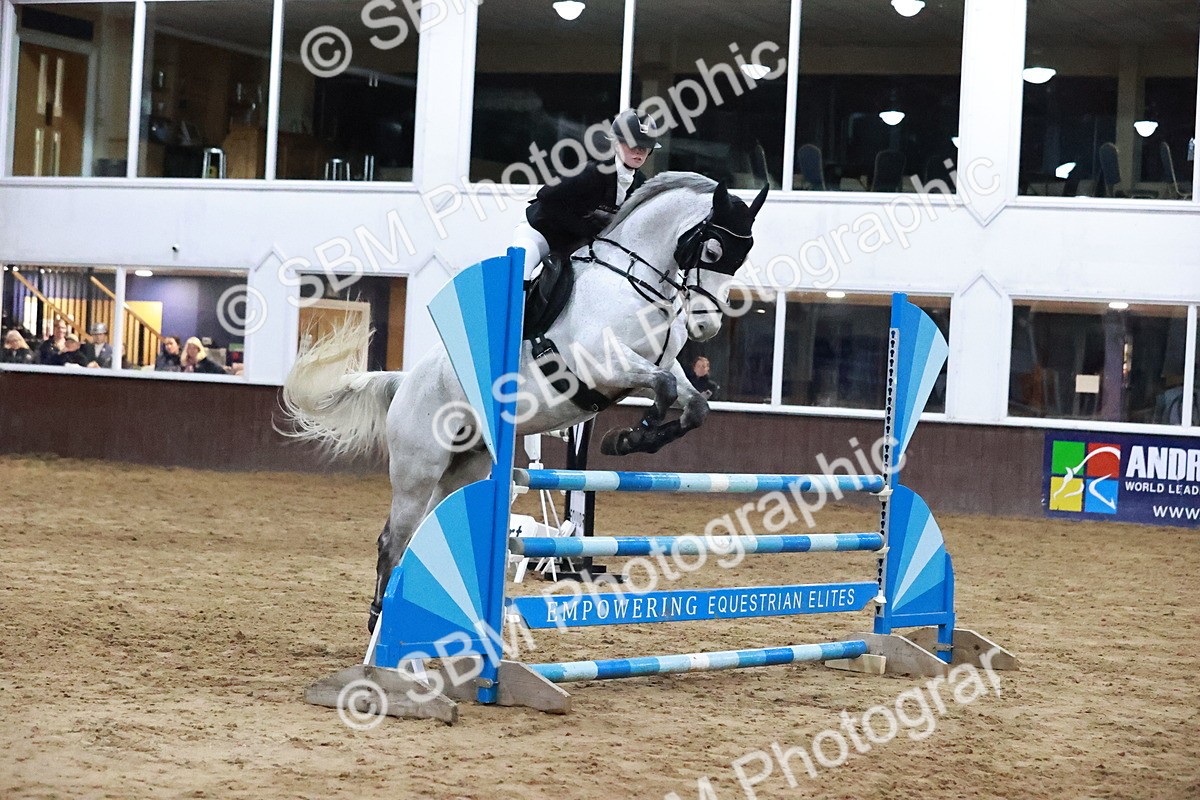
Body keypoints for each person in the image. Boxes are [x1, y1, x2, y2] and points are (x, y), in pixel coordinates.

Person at [512, 109, 661, 280]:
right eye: (633, 144)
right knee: (519, 273)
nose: (639, 151)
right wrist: (588, 230)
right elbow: (545, 196)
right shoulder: (591, 172)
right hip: (541, 232)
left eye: (645, 147)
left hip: (575, 244)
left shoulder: (640, 185)